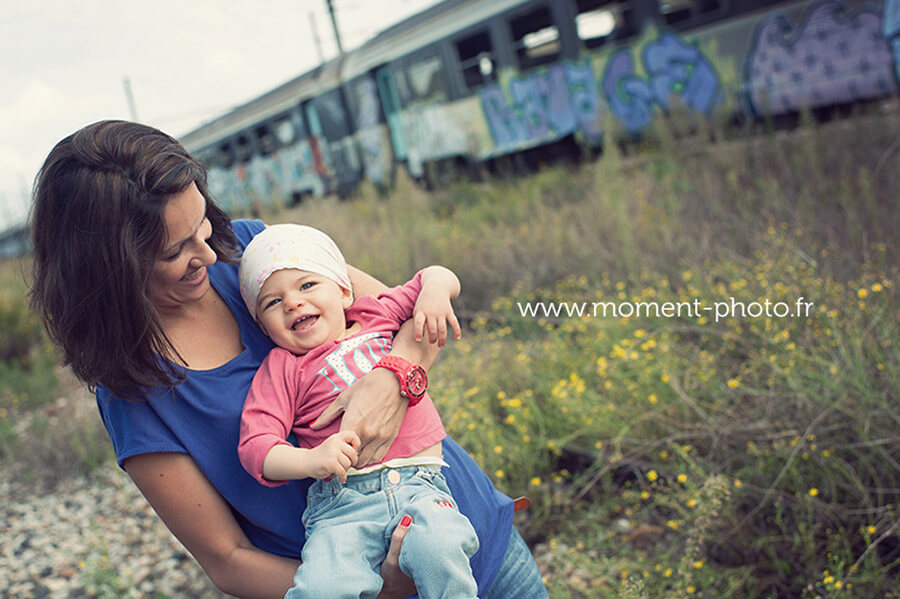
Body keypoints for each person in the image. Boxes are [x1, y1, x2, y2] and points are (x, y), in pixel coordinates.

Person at [28, 120, 549, 599]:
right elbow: (229, 561)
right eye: (175, 251)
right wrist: (385, 587)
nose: (209, 257)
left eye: (202, 226)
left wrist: (394, 382)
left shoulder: (255, 252)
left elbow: (408, 320)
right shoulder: (132, 392)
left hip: (467, 524)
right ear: (107, 268)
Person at [237, 223, 477, 598]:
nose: (293, 303)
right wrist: (310, 460)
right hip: (342, 505)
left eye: (307, 285)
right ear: (264, 328)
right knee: (322, 586)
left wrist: (434, 292)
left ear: (344, 290)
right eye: (272, 302)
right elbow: (256, 447)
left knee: (441, 547)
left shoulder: (375, 316)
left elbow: (437, 276)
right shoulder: (283, 368)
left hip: (420, 487)